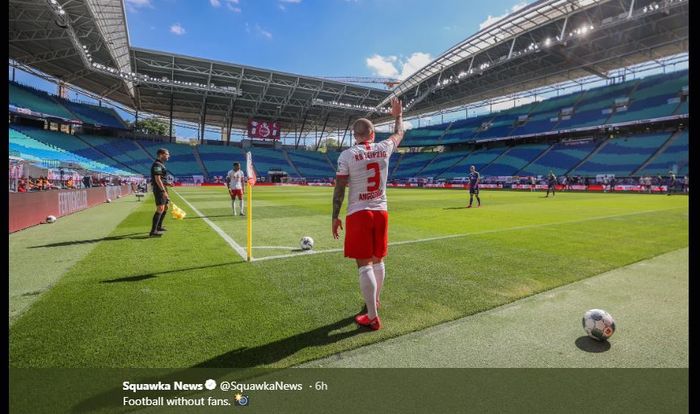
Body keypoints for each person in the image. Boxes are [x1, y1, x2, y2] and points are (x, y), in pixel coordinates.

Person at [331, 97, 404, 331]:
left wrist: (335, 216)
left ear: (356, 135)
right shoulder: (384, 148)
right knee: (378, 260)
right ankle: (375, 301)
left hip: (359, 213)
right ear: (372, 133)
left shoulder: (347, 155)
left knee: (364, 265)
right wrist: (397, 115)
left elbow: (340, 189)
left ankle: (372, 316)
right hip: (381, 211)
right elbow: (399, 134)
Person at [149, 148, 171, 237]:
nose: (168, 156)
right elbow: (157, 179)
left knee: (166, 207)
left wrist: (167, 183)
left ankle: (159, 226)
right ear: (161, 155)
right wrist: (163, 191)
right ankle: (153, 231)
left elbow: (161, 178)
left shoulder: (161, 164)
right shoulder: (157, 164)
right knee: (160, 208)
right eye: (167, 154)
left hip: (163, 187)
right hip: (159, 189)